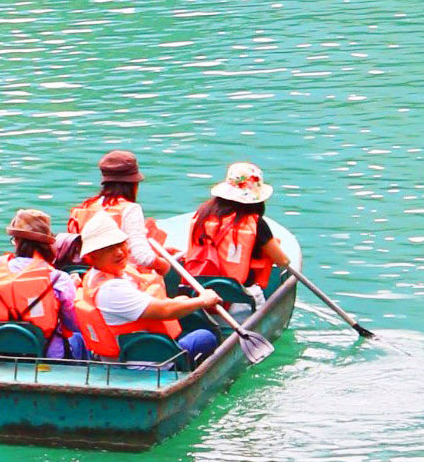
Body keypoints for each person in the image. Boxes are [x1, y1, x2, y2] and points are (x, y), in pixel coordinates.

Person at [73, 211, 221, 365]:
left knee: (186, 309)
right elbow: (166, 310)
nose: (118, 252)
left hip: (133, 352)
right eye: (108, 248)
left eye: (119, 244)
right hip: (145, 363)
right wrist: (202, 301)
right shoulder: (110, 290)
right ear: (92, 257)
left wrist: (182, 301)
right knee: (205, 337)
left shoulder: (103, 274)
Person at [0, 209, 86, 360]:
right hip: (48, 357)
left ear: (16, 241)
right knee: (80, 337)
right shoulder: (59, 279)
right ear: (46, 244)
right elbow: (74, 324)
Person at [184, 161, 291, 300]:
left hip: (197, 290)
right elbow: (282, 261)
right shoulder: (255, 223)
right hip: (239, 298)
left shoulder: (202, 215)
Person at [65, 149, 168, 278]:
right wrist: (164, 265)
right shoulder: (130, 209)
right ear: (133, 184)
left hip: (87, 276)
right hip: (120, 277)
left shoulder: (84, 207)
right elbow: (142, 257)